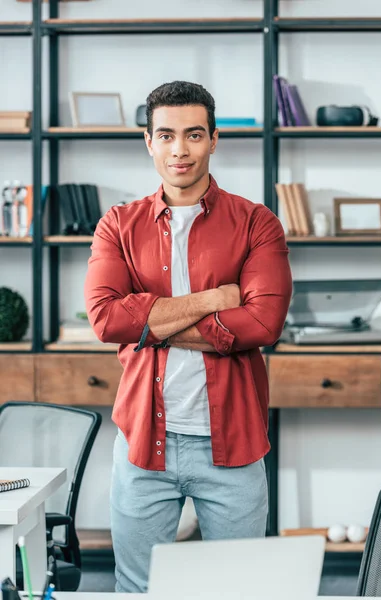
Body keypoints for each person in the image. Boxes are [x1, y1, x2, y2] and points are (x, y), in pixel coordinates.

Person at [84, 80, 292, 593]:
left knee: (238, 590)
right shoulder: (117, 225)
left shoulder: (257, 223)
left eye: (194, 135)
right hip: (142, 445)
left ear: (214, 139)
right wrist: (216, 300)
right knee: (138, 589)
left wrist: (150, 328)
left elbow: (263, 324)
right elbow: (107, 320)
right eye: (167, 135)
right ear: (149, 141)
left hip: (234, 447)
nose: (181, 149)